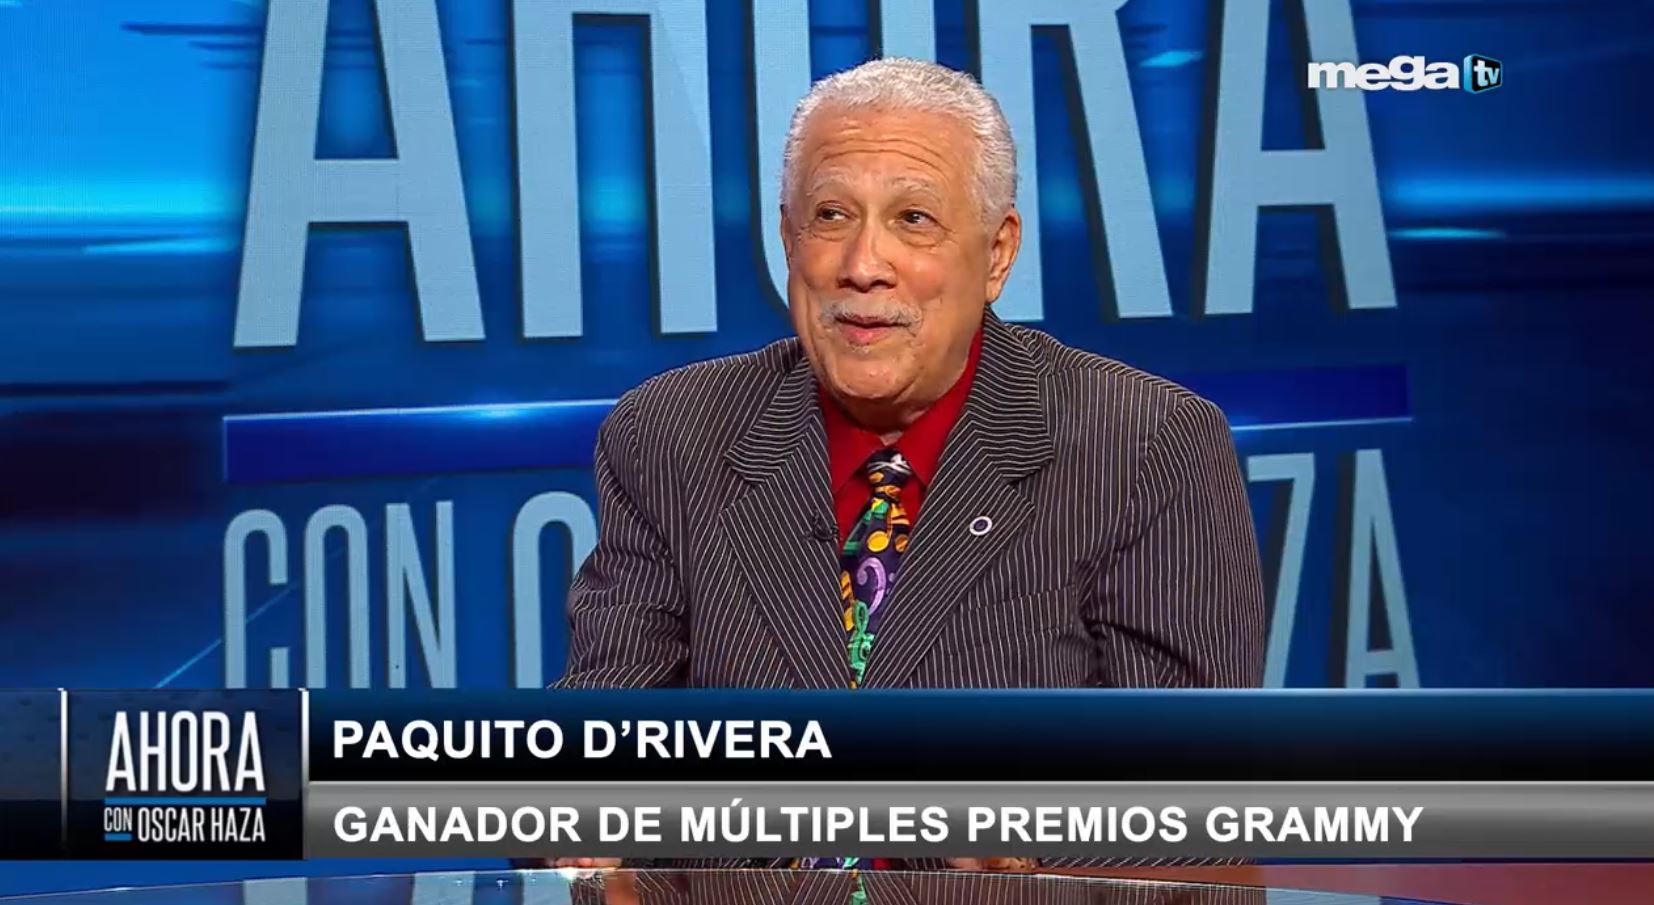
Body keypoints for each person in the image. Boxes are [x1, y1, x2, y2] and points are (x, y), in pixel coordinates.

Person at [545, 57, 1265, 870]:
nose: (863, 264)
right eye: (830, 215)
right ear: (788, 238)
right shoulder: (672, 435)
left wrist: (1048, 847)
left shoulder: (1142, 445)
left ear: (997, 254)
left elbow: (1200, 804)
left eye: (914, 219)